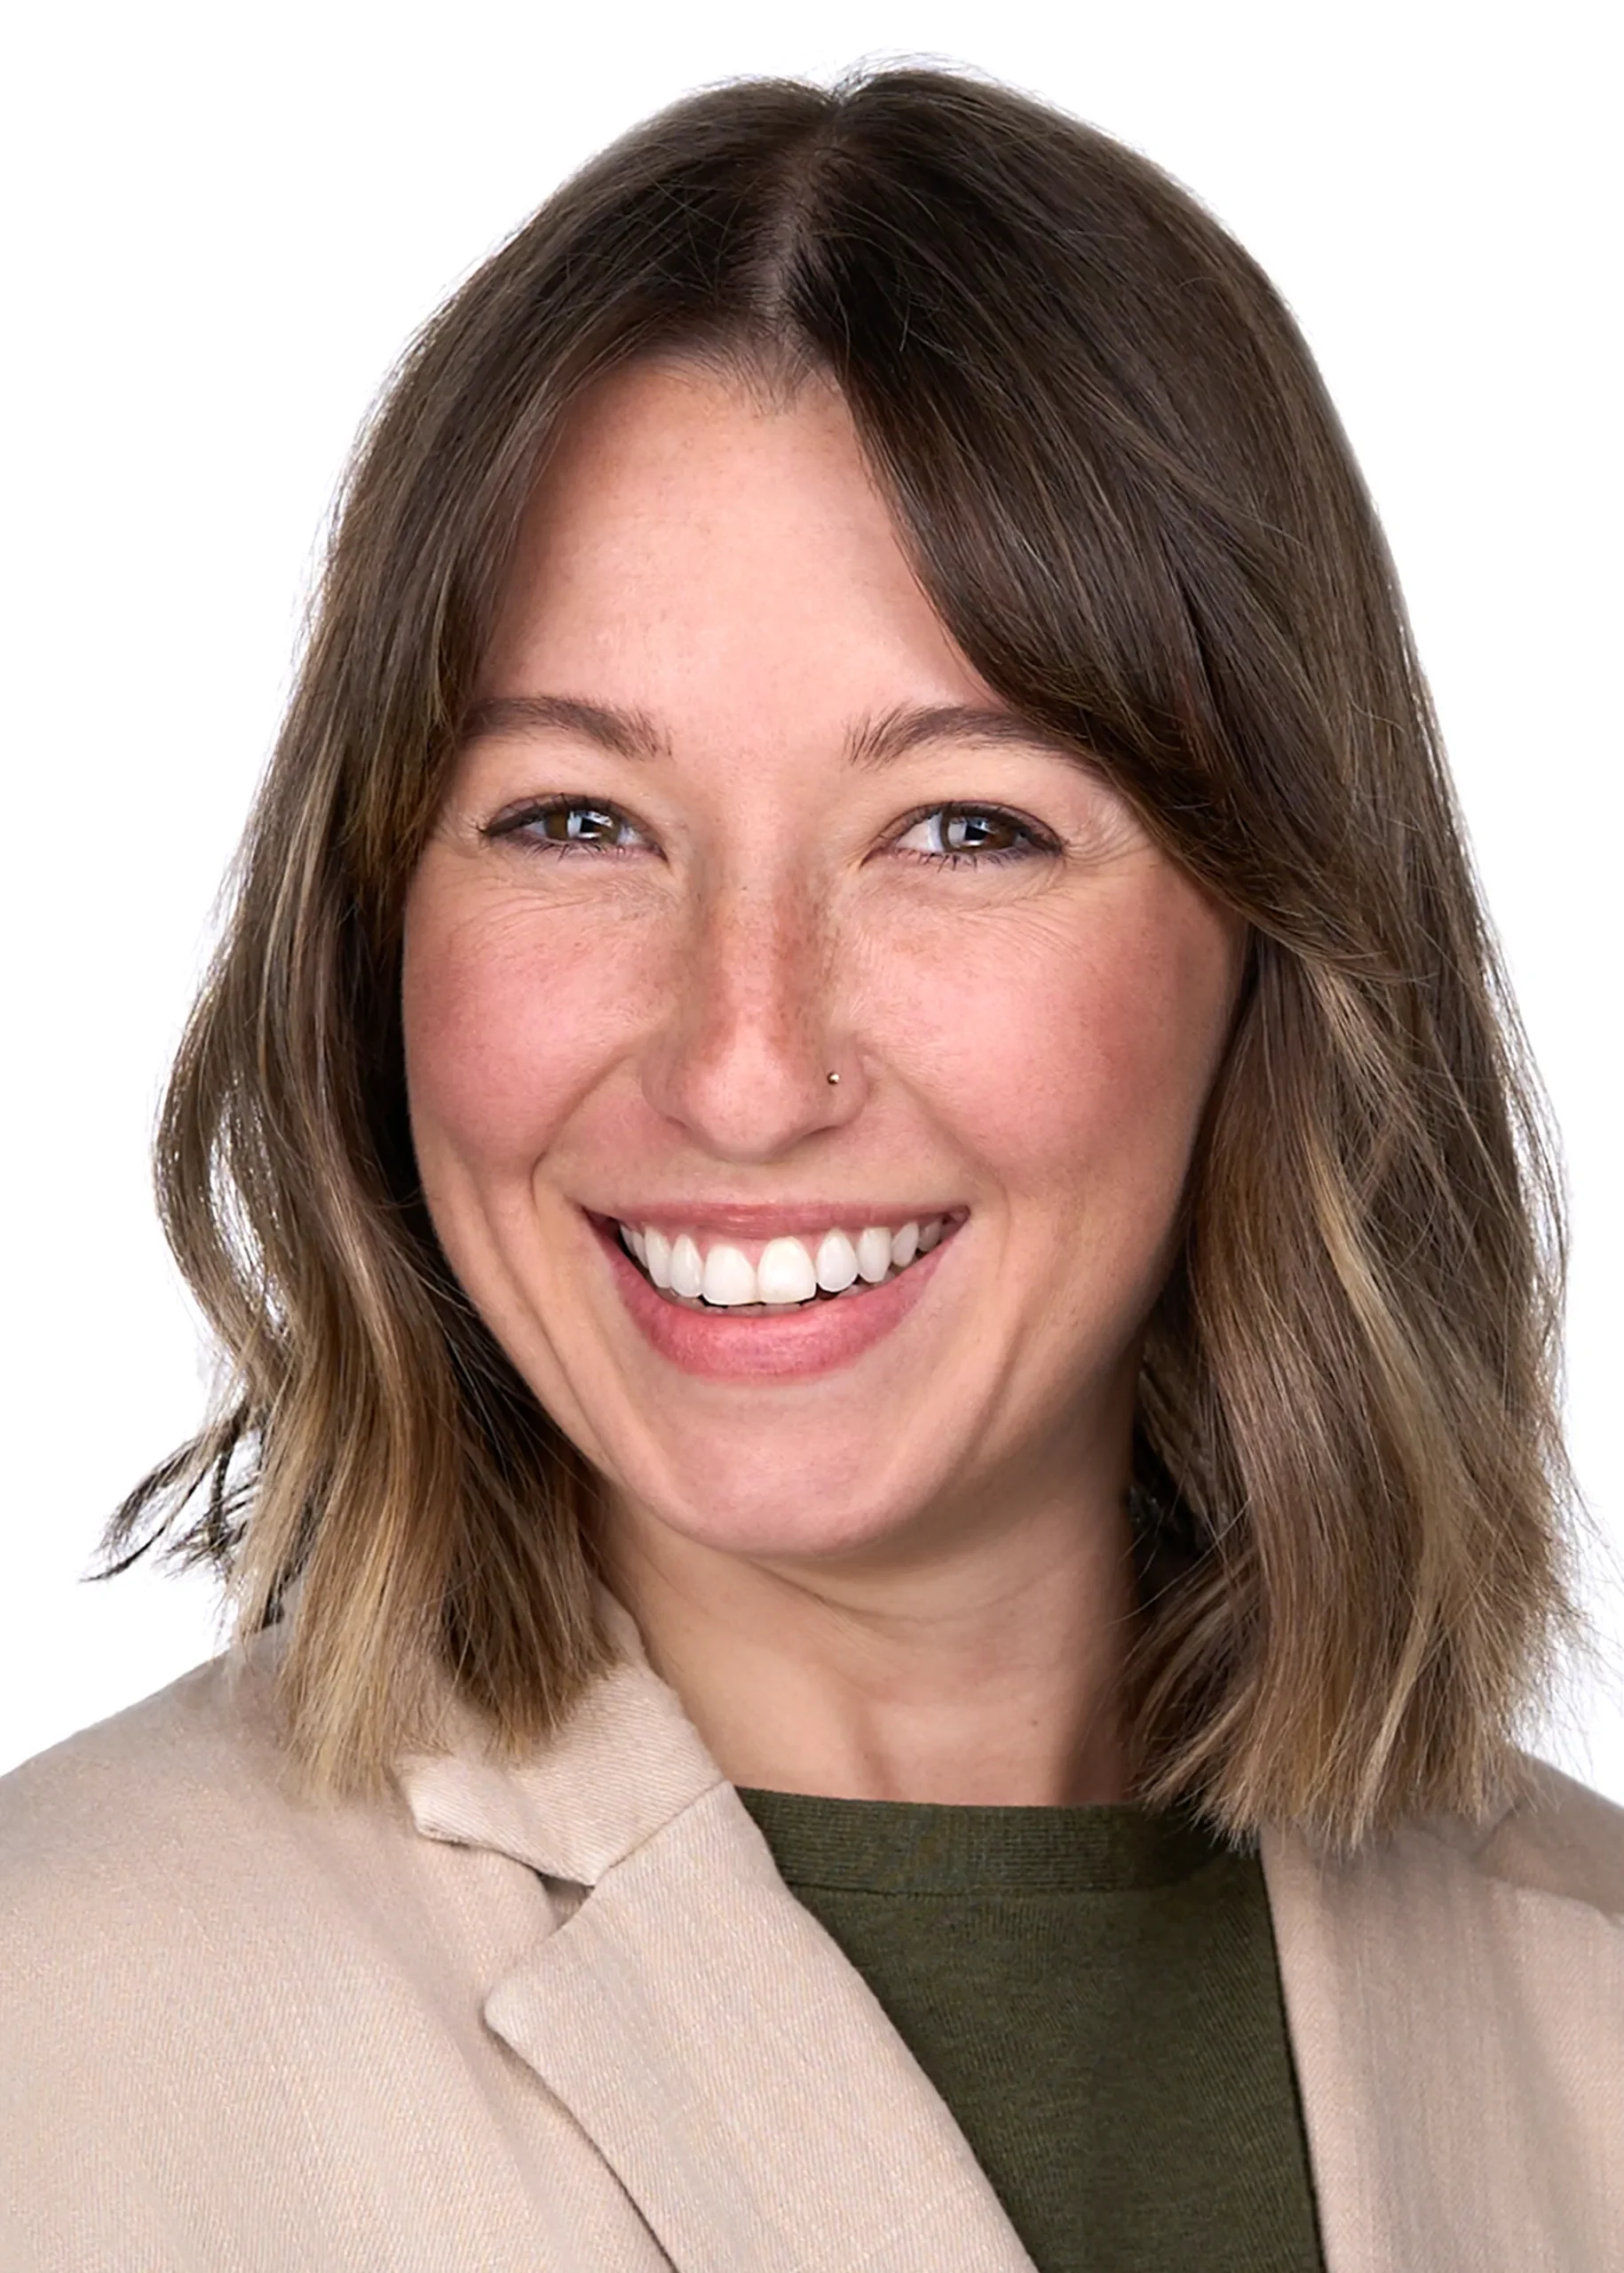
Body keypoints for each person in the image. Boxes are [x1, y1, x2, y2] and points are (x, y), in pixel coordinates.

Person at [2, 62, 1620, 2273]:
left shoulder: (1586, 2003)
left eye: (963, 828)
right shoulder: (58, 2034)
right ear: (367, 931)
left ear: (1274, 948)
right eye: (576, 820)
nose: (743, 1067)